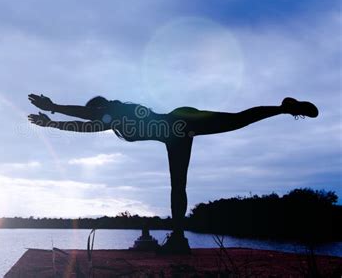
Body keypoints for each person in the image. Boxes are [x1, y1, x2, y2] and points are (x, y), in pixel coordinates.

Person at [27, 93, 318, 253]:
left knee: (234, 122)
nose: (95, 115)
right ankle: (178, 237)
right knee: (178, 185)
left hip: (180, 121)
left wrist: (53, 107)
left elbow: (85, 116)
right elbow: (83, 126)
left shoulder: (115, 111)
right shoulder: (111, 122)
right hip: (176, 134)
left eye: (95, 110)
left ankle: (284, 108)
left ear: (101, 106)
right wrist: (50, 123)